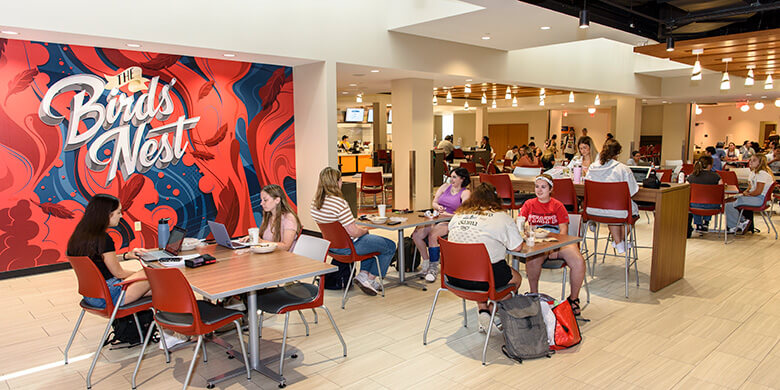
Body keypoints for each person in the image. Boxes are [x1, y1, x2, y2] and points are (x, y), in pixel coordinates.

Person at [447, 182, 523, 333]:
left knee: (476, 269)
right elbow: (517, 247)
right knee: (516, 279)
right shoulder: (501, 217)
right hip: (484, 279)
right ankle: (490, 309)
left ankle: (482, 310)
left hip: (454, 276)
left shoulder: (458, 216)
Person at [311, 167, 396, 295]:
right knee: (389, 246)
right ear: (337, 182)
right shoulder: (340, 203)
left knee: (371, 243)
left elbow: (341, 227)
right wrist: (365, 230)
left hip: (332, 248)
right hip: (348, 248)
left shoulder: (315, 203)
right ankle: (371, 279)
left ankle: (363, 275)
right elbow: (354, 232)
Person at [67, 194, 151, 308]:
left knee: (158, 289)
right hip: (110, 295)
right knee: (152, 272)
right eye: (118, 212)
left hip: (92, 295)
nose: (121, 216)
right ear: (107, 214)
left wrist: (126, 256)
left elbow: (98, 259)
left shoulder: (79, 236)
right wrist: (138, 275)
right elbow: (119, 273)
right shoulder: (104, 239)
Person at [520, 175, 586, 316]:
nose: (539, 190)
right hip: (537, 241)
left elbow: (563, 230)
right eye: (537, 186)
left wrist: (555, 247)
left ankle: (574, 299)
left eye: (543, 187)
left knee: (578, 260)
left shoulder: (557, 205)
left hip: (556, 241)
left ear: (550, 189)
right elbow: (520, 223)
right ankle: (534, 296)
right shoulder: (529, 204)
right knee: (533, 258)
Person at [412, 167, 471, 283]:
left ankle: (433, 267)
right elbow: (434, 202)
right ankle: (426, 261)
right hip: (436, 217)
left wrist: (447, 214)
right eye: (451, 176)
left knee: (433, 235)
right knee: (416, 235)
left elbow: (464, 213)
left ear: (462, 179)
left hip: (451, 220)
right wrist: (437, 207)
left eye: (454, 177)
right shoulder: (445, 187)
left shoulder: (465, 193)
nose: (451, 180)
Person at [584, 139, 639, 255]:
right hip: (616, 211)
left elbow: (586, 186)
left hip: (593, 211)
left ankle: (619, 242)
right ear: (618, 153)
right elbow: (633, 191)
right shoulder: (623, 169)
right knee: (629, 213)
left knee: (611, 213)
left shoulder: (593, 167)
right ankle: (620, 241)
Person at [240, 184, 301, 251]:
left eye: (265, 200)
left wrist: (261, 242)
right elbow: (262, 238)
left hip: (285, 258)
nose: (261, 203)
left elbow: (286, 246)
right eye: (261, 200)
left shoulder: (289, 218)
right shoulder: (268, 216)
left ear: (277, 200)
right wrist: (252, 238)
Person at [725, 154, 774, 233]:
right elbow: (750, 187)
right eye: (750, 160)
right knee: (728, 200)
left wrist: (746, 195)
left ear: (760, 163)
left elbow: (758, 191)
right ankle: (742, 222)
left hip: (760, 199)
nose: (750, 162)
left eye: (754, 160)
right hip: (756, 197)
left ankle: (735, 225)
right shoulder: (753, 173)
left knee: (729, 204)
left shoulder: (762, 174)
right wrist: (746, 192)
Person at [687, 155, 723, 232]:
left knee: (694, 202)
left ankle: (698, 224)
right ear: (710, 165)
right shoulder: (716, 176)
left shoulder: (691, 176)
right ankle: (706, 222)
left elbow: (685, 190)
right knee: (710, 200)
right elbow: (721, 190)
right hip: (713, 206)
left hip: (695, 206)